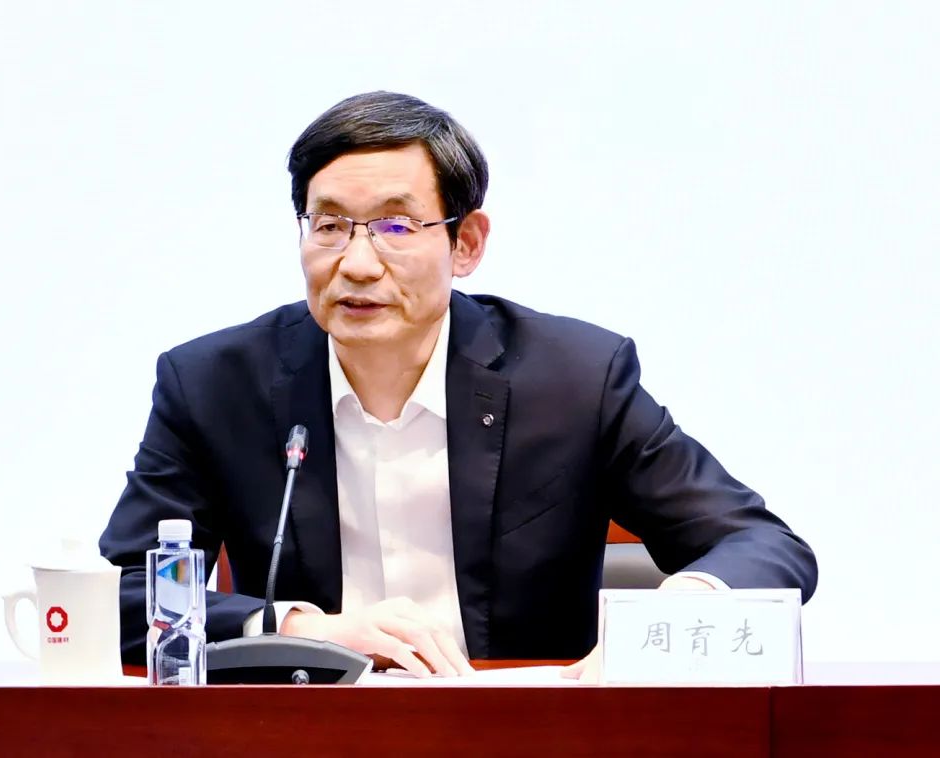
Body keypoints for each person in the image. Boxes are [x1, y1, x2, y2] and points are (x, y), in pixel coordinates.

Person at [99, 91, 817, 679]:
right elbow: (123, 597)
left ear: (465, 243)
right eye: (330, 226)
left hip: (523, 736)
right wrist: (302, 626)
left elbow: (762, 546)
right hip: (306, 733)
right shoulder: (214, 384)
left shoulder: (574, 379)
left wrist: (670, 617)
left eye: (394, 226)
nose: (356, 263)